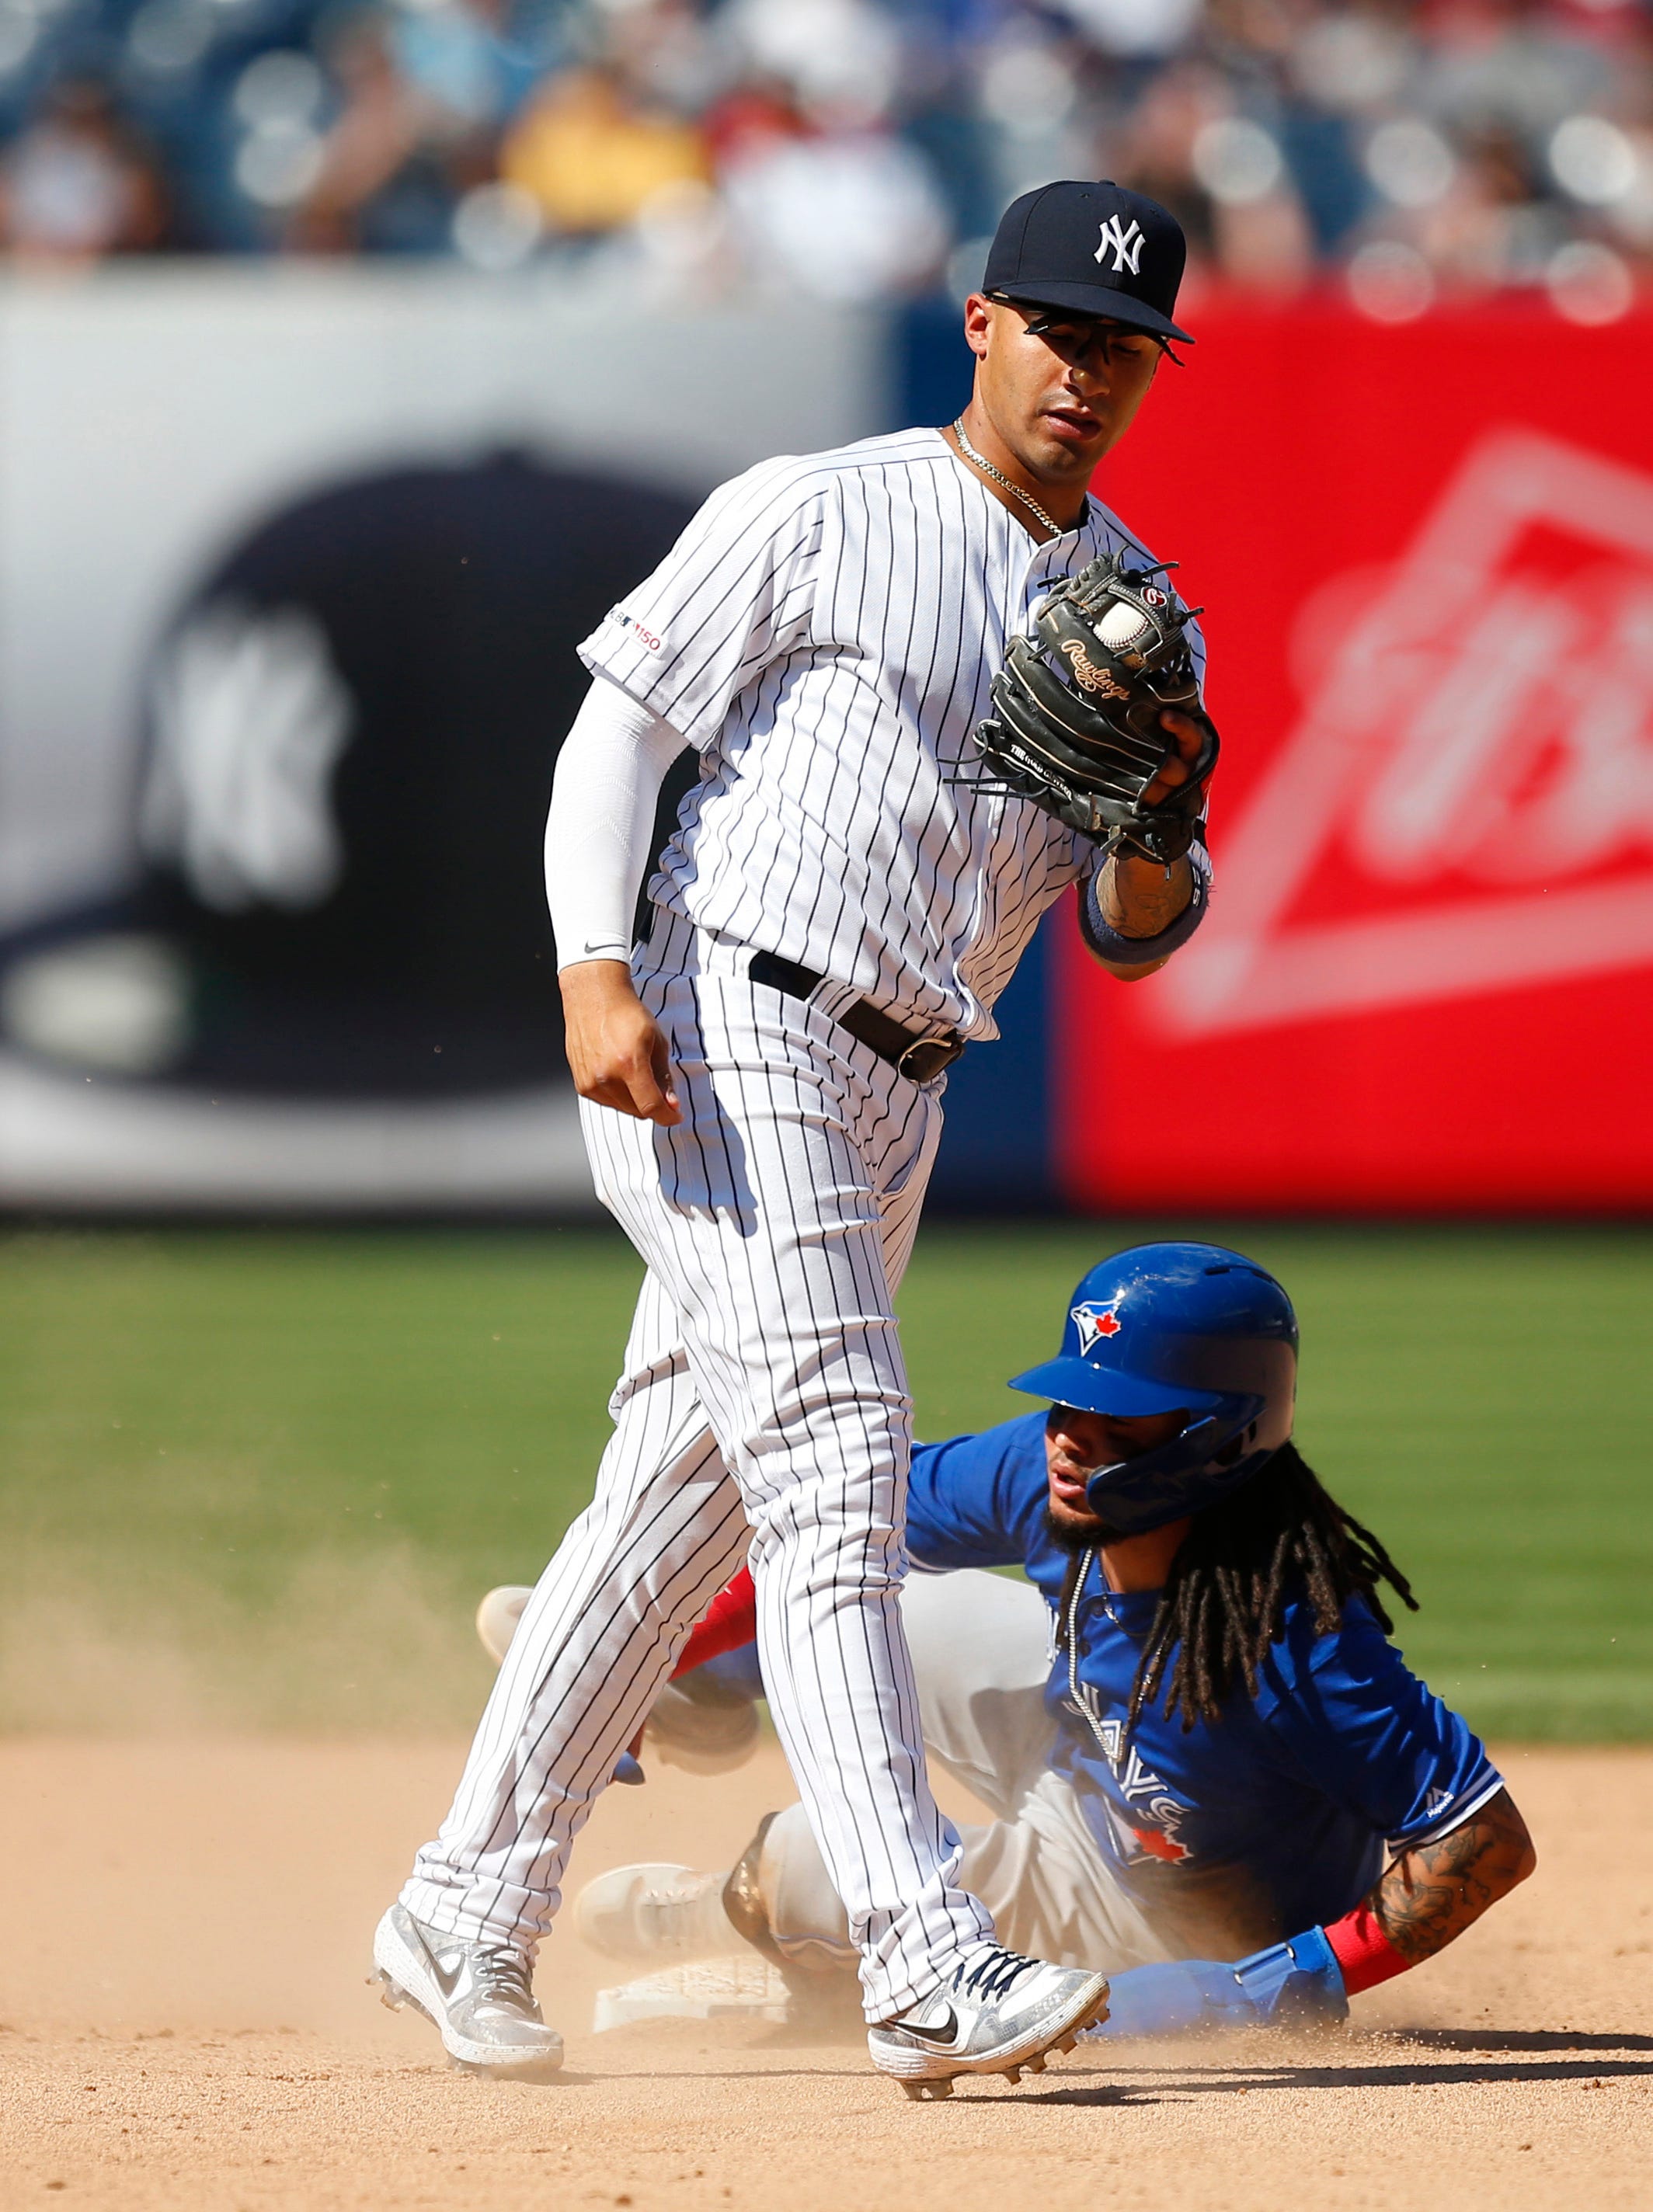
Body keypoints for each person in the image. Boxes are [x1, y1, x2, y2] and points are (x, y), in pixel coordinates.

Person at [374, 178, 1220, 2097]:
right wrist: (594, 968)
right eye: (1061, 333)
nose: (1090, 374)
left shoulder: (1133, 606)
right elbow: (618, 733)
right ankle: (928, 1955)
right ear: (985, 323)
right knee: (840, 1462)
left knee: (683, 1505)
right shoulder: (818, 503)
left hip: (898, 1079)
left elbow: (1133, 924)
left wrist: (1161, 816)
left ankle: (463, 1898)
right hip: (726, 1019)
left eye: (1126, 350)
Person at [555, 1244, 1538, 2040]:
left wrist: (1262, 1987)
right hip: (1068, 1739)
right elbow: (828, 1525)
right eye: (1071, 1400)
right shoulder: (1045, 1471)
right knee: (852, 1596)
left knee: (807, 1862)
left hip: (1148, 1900)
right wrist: (641, 1664)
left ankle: (747, 1939)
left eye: (1115, 1417)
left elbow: (1484, 1840)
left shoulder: (1297, 1642)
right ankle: (704, 1684)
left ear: (1217, 1435)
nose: (1071, 1435)